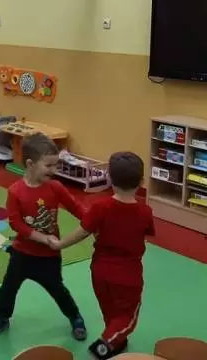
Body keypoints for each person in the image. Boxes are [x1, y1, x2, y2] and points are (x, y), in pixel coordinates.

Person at [0, 133, 87, 341]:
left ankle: (75, 317)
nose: (54, 170)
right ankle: (2, 317)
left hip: (49, 257)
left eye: (56, 165)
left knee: (57, 289)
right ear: (30, 164)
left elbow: (76, 208)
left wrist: (94, 221)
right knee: (8, 288)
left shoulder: (56, 187)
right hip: (22, 254)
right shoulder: (15, 192)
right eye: (49, 166)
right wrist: (43, 238)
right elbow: (16, 223)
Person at [51, 152, 154, 359]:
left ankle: (116, 341)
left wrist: (59, 244)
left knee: (110, 309)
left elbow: (82, 232)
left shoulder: (100, 207)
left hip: (99, 272)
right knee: (127, 316)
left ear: (110, 180)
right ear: (142, 182)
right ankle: (105, 345)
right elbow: (146, 235)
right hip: (128, 276)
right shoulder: (145, 211)